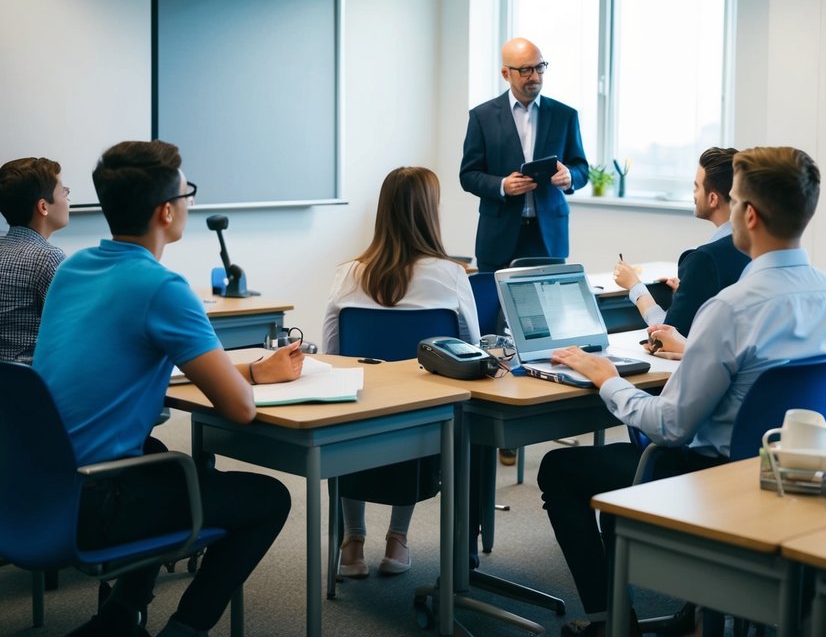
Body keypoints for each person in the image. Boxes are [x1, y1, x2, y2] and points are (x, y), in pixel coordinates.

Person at [537, 146, 826, 637]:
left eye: (733, 200)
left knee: (560, 469)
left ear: (749, 214)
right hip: (793, 477)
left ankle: (614, 626)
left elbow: (670, 426)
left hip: (713, 483)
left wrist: (608, 379)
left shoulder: (730, 308)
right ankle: (693, 616)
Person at [33, 140, 302, 637]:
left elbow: (125, 368)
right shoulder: (162, 287)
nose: (190, 203)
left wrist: (254, 371)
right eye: (187, 193)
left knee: (167, 459)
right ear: (165, 212)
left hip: (38, 486)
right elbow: (239, 411)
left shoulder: (72, 269)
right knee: (269, 498)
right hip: (95, 502)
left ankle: (120, 616)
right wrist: (246, 382)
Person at [321, 166, 479, 579]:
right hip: (425, 418)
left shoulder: (348, 273)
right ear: (430, 213)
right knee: (423, 398)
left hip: (358, 412)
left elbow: (332, 353)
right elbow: (471, 350)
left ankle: (351, 544)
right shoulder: (451, 275)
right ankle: (397, 540)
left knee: (351, 415)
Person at [459, 37, 590, 274]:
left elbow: (581, 167)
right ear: (505, 74)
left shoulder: (565, 115)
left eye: (540, 67)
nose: (535, 76)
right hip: (498, 236)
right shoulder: (482, 117)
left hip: (548, 237)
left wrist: (570, 176)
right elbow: (468, 175)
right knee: (492, 309)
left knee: (548, 310)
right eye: (525, 70)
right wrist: (502, 185)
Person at [613, 147, 749, 336]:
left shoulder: (703, 260)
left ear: (712, 199)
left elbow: (667, 334)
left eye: (696, 187)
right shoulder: (755, 246)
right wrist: (690, 288)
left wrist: (635, 287)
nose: (693, 194)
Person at [0, 156, 69, 363]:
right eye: (63, 191)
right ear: (43, 207)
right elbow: (70, 331)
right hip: (33, 386)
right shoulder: (48, 258)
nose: (67, 196)